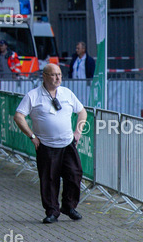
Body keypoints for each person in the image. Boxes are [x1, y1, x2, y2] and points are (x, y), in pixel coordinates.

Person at [13, 63, 87, 224]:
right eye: (53, 75)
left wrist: (78, 132)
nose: (58, 78)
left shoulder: (67, 93)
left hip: (68, 143)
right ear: (45, 76)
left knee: (74, 174)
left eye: (59, 74)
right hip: (46, 145)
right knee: (49, 179)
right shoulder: (33, 96)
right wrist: (32, 136)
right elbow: (18, 116)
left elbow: (82, 112)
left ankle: (69, 206)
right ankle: (52, 211)